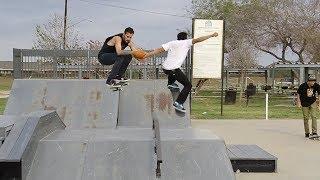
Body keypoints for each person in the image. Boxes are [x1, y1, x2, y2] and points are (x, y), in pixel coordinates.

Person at [143, 31, 218, 112]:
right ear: (185, 38)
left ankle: (170, 83)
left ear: (177, 38)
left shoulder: (172, 43)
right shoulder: (186, 42)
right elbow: (199, 39)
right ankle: (178, 103)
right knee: (188, 85)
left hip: (164, 68)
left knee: (174, 71)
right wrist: (211, 35)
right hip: (173, 69)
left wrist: (146, 55)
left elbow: (158, 50)